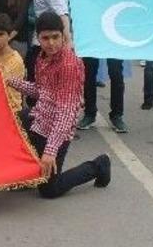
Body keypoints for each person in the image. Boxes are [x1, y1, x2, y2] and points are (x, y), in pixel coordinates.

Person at [7, 12, 111, 198]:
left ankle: (98, 165)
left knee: (49, 190)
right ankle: (30, 174)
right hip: (38, 117)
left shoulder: (69, 65)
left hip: (58, 129)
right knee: (14, 121)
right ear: (38, 38)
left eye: (55, 37)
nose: (51, 43)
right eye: (45, 38)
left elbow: (66, 113)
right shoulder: (41, 57)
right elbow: (41, 91)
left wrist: (50, 150)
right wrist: (9, 81)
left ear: (63, 35)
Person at [75, 0, 131, 132]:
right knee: (89, 73)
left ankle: (117, 115)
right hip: (91, 29)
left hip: (114, 29)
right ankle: (89, 113)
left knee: (116, 73)